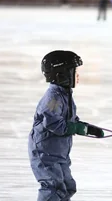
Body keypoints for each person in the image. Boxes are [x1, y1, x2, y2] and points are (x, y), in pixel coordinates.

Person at [28, 50, 104, 201]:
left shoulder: (65, 94)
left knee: (67, 186)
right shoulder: (54, 98)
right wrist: (76, 128)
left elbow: (70, 120)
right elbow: (51, 122)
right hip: (45, 152)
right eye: (74, 72)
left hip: (59, 152)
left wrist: (87, 128)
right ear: (61, 74)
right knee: (53, 187)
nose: (78, 76)